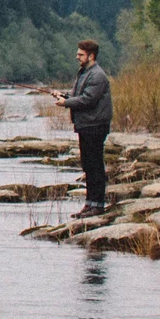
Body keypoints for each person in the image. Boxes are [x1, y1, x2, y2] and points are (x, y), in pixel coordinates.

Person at [49, 39, 113, 215]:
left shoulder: (97, 75)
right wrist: (63, 95)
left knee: (95, 166)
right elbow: (80, 95)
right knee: (88, 166)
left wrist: (66, 103)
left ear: (91, 56)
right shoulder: (85, 73)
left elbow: (88, 100)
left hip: (95, 126)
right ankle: (90, 203)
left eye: (80, 54)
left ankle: (97, 205)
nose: (77, 57)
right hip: (86, 125)